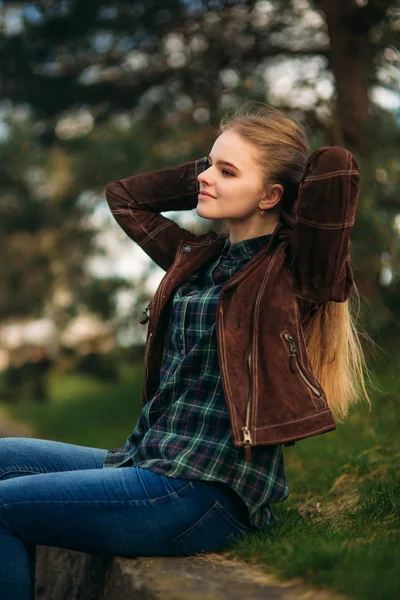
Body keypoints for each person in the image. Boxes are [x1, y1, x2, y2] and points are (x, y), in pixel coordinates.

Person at [0, 103, 371, 599]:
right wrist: (221, 169)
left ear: (271, 195)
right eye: (206, 165)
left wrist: (282, 170)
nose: (205, 178)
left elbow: (337, 168)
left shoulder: (291, 276)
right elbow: (125, 198)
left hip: (203, 494)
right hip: (148, 462)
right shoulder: (195, 260)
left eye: (226, 170)